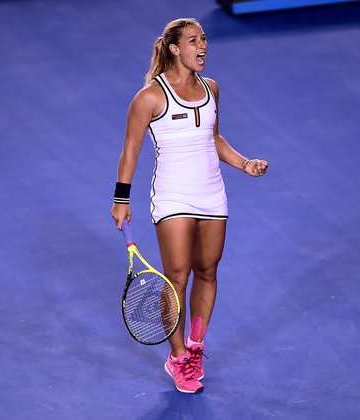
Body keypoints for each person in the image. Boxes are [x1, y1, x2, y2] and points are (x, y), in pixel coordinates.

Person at [110, 17, 268, 394]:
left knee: (208, 271)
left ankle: (195, 345)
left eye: (204, 38)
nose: (203, 46)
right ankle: (178, 357)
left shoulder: (212, 88)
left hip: (212, 193)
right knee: (177, 276)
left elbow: (213, 137)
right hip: (172, 196)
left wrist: (243, 163)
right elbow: (130, 149)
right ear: (175, 49)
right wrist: (121, 198)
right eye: (194, 40)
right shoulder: (149, 97)